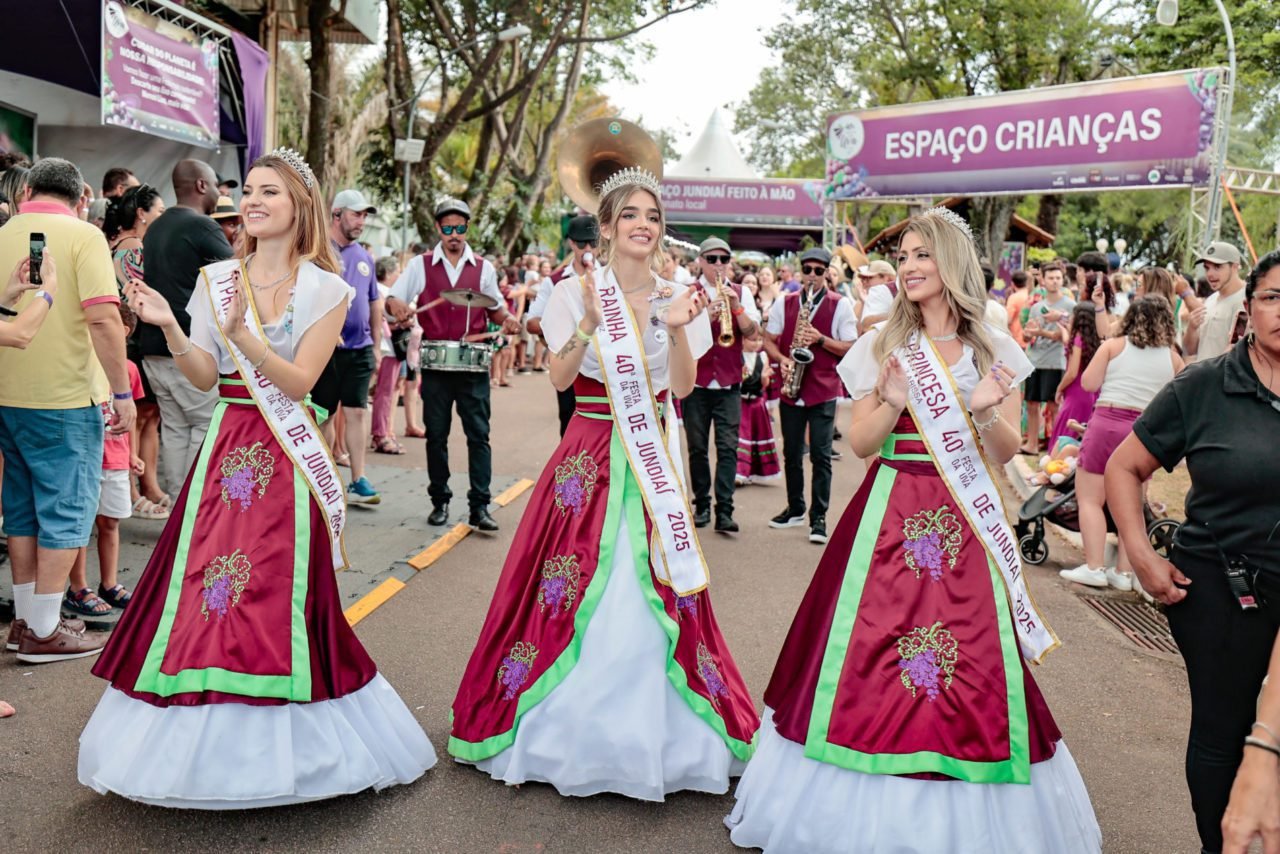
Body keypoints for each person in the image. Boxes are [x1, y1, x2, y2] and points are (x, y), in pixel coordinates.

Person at [727, 208, 1100, 853]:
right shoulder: (884, 344)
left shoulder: (994, 346)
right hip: (888, 511)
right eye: (902, 257)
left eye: (921, 254)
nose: (909, 267)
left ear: (951, 261)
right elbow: (862, 442)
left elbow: (1009, 447)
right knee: (864, 648)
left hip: (963, 518)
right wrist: (895, 401)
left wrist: (981, 411)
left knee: (973, 654)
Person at [80, 148, 436, 808]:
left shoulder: (327, 287)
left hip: (286, 452)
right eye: (248, 189)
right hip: (227, 443)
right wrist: (170, 330)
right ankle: (195, 748)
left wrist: (244, 336)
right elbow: (204, 379)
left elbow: (300, 382)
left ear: (299, 205)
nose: (253, 200)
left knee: (274, 588)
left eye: (269, 190)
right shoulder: (217, 277)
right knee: (208, 586)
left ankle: (289, 749)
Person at [448, 169, 758, 800]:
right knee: (572, 576)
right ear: (609, 226)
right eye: (630, 215)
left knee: (657, 579)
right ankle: (555, 722)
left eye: (653, 215)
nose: (643, 224)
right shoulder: (575, 291)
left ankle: (667, 730)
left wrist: (674, 326)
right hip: (587, 453)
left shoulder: (683, 294)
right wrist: (591, 321)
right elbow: (561, 380)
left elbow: (683, 387)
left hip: (652, 456)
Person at [1107, 248, 1280, 853]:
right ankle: (1221, 845)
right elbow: (1122, 467)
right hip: (1221, 589)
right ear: (1248, 310)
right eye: (1273, 297)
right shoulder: (1205, 384)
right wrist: (1141, 555)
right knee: (1223, 728)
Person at [0, 157, 135, 664]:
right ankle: (42, 630)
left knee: (23, 511)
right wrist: (123, 396)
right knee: (64, 510)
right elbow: (103, 319)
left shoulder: (5, 231)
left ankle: (29, 619)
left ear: (28, 187)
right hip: (65, 396)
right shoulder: (83, 237)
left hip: (8, 393)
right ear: (81, 195)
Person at [385, 198, 521, 533]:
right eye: (448, 228)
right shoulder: (421, 264)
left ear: (467, 229)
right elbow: (392, 301)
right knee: (437, 437)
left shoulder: (484, 268)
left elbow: (495, 309)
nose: (454, 234)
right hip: (435, 364)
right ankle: (440, 501)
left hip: (473, 368)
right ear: (438, 229)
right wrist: (397, 304)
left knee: (479, 436)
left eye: (460, 228)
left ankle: (480, 506)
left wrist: (509, 320)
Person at [1060, 296, 1181, 591]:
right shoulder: (1173, 358)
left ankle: (1094, 566)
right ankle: (1124, 573)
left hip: (1106, 421)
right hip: (1142, 431)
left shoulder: (1114, 346)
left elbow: (1089, 383)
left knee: (1090, 499)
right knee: (1132, 507)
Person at [139, 159, 232, 498]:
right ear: (201, 186)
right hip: (188, 348)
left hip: (154, 345)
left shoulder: (156, 227)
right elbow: (237, 279)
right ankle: (193, 512)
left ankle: (179, 509)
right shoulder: (203, 227)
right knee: (204, 425)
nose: (221, 194)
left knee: (176, 429)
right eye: (215, 185)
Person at [763, 247, 858, 545]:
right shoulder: (786, 301)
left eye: (820, 271)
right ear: (802, 271)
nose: (813, 276)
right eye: (808, 270)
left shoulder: (840, 305)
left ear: (828, 273)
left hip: (824, 389)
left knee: (820, 455)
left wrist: (820, 339)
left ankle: (819, 517)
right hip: (793, 386)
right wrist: (782, 359)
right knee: (792, 452)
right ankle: (795, 508)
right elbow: (768, 340)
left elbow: (851, 346)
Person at [64, 303, 145, 616]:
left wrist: (133, 455)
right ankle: (78, 587)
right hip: (86, 457)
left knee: (111, 522)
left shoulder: (129, 370)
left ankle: (109, 584)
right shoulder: (83, 364)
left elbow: (133, 417)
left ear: (121, 332)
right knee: (81, 526)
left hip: (115, 459)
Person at [685, 237, 761, 534]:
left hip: (729, 381)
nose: (718, 265)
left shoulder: (740, 291)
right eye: (712, 259)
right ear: (700, 261)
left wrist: (736, 307)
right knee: (697, 447)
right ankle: (702, 504)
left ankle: (725, 510)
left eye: (723, 259)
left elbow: (754, 332)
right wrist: (706, 314)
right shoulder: (688, 291)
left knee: (728, 448)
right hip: (697, 381)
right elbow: (677, 332)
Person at [313, 188, 383, 506]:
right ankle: (324, 478)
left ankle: (358, 478)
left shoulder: (365, 256)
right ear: (337, 214)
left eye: (365, 215)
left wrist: (378, 345)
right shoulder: (317, 251)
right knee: (324, 415)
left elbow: (374, 302)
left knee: (356, 411)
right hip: (324, 350)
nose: (362, 221)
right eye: (357, 214)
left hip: (360, 348)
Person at [103, 183, 169, 520]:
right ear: (142, 214)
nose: (162, 218)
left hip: (141, 338)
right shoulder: (132, 248)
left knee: (149, 416)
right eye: (158, 212)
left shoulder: (134, 245)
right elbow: (136, 296)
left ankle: (150, 485)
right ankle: (131, 490)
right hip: (133, 339)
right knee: (138, 415)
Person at [527, 214, 598, 436]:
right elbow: (532, 322)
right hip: (569, 362)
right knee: (568, 424)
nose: (587, 248)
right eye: (581, 243)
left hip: (602, 364)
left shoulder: (612, 276)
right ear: (571, 243)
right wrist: (559, 323)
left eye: (593, 243)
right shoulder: (554, 281)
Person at [1020, 262, 1075, 455]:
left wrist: (1042, 331)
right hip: (1035, 359)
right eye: (1050, 278)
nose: (1054, 281)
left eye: (1058, 278)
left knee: (1054, 406)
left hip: (1056, 361)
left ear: (1063, 279)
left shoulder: (1069, 306)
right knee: (1032, 404)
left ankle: (1056, 446)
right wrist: (1029, 333)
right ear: (1042, 280)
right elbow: (1028, 334)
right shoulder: (1036, 307)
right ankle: (1032, 444)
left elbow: (1067, 336)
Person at [1047, 304, 1103, 452]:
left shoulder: (1078, 338)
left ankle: (1053, 469)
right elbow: (1069, 343)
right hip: (1090, 393)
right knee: (1078, 434)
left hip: (1076, 393)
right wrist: (1063, 329)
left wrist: (1059, 389)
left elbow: (1072, 372)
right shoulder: (1094, 338)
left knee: (1064, 433)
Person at [1185, 241, 1247, 363]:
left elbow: (1237, 352)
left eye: (1217, 267)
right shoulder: (1211, 300)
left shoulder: (1246, 300)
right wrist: (1192, 328)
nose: (1210, 274)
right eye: (1207, 268)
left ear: (1234, 267)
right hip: (1204, 377)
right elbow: (1190, 351)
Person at [371, 255, 407, 455]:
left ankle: (384, 432)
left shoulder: (385, 291)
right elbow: (391, 316)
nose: (399, 275)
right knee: (384, 393)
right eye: (396, 272)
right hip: (386, 348)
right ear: (388, 273)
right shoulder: (382, 291)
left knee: (387, 392)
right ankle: (380, 434)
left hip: (390, 347)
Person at [735, 337, 779, 486]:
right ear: (743, 340)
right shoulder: (737, 355)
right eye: (753, 340)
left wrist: (765, 378)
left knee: (756, 437)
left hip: (756, 403)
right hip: (741, 402)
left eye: (760, 340)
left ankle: (753, 473)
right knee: (742, 437)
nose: (757, 343)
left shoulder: (763, 356)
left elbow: (764, 385)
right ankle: (739, 473)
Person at [855, 259, 897, 333]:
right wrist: (863, 303)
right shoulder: (860, 302)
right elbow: (859, 333)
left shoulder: (902, 293)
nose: (864, 282)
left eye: (869, 278)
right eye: (863, 278)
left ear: (887, 278)